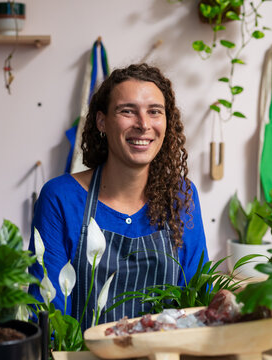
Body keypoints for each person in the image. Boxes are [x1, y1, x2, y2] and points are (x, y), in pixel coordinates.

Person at [28, 63, 208, 330]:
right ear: (102, 121)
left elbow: (198, 297)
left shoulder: (181, 196)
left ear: (166, 122)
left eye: (154, 112)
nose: (144, 124)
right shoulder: (61, 198)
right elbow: (47, 312)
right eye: (128, 111)